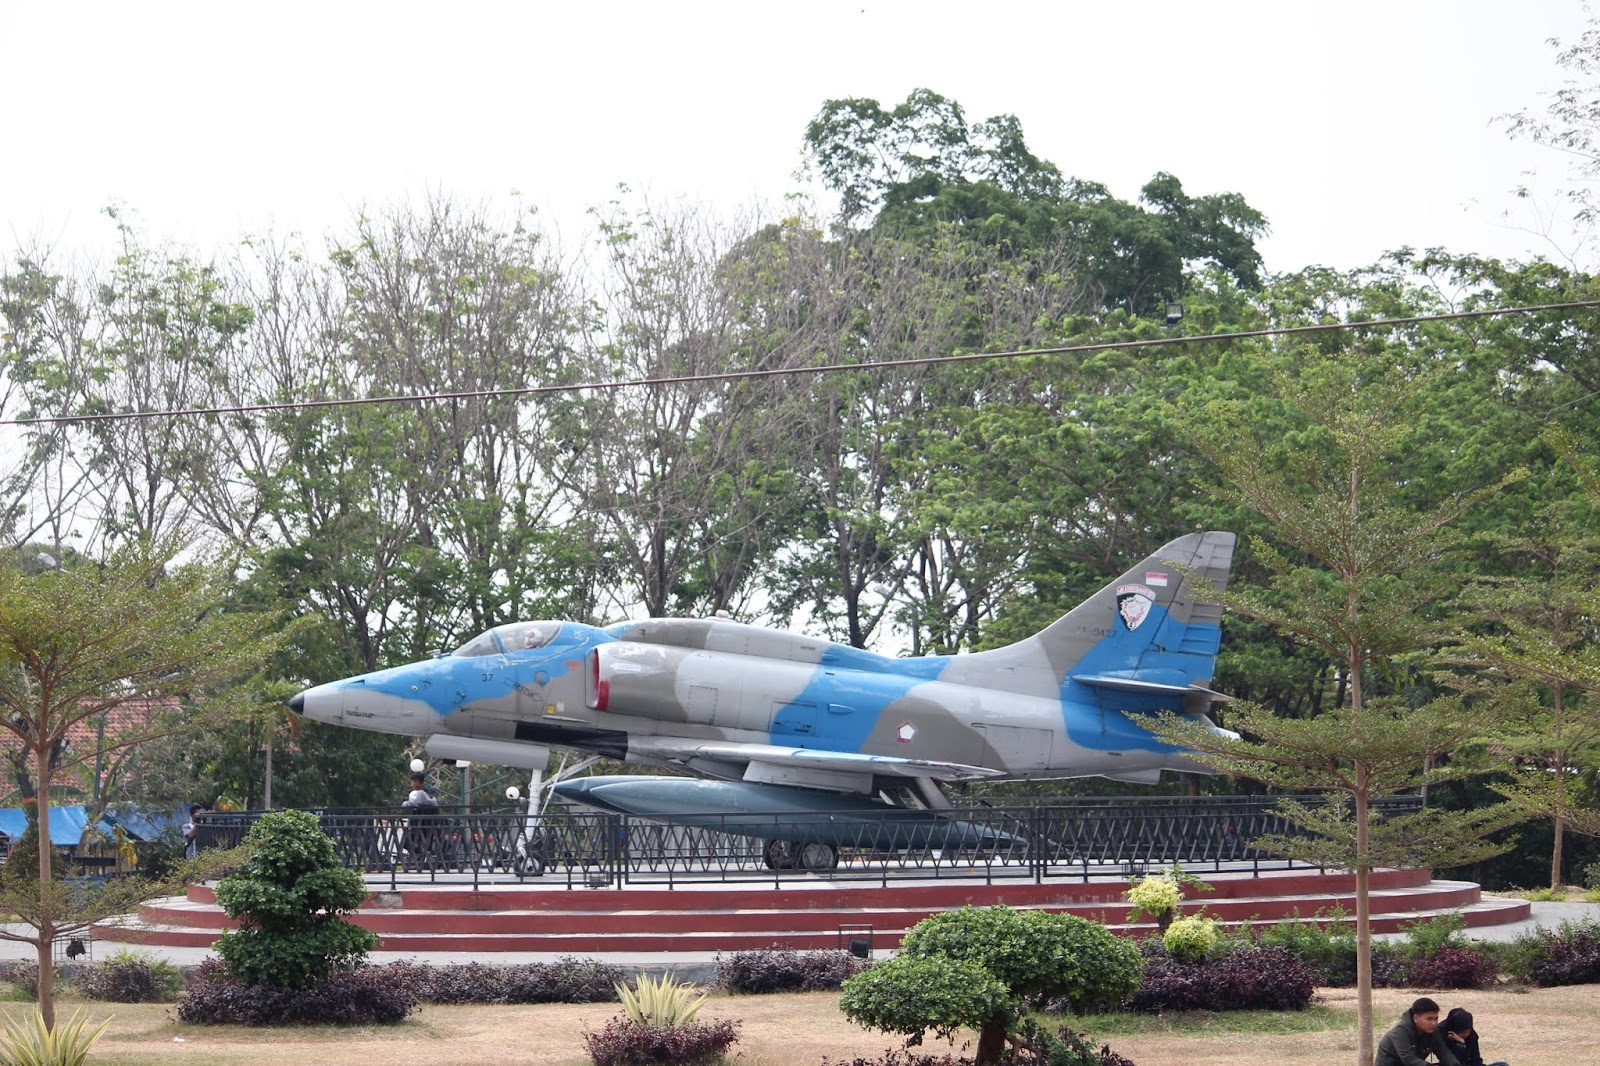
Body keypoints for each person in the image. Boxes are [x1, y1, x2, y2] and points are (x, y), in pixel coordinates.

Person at [1375, 996, 1459, 1066]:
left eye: (1436, 1018)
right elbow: (1409, 1059)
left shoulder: (1433, 1031)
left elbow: (1444, 1053)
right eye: (1429, 1019)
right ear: (1415, 1018)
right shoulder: (1400, 1032)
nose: (1434, 1023)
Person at [1442, 1007, 1509, 1066]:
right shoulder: (1443, 1036)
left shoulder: (1472, 1036)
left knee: (1503, 1065)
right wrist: (1460, 1044)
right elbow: (1452, 1063)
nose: (1466, 1035)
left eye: (1468, 1031)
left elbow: (1476, 1058)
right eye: (1462, 1033)